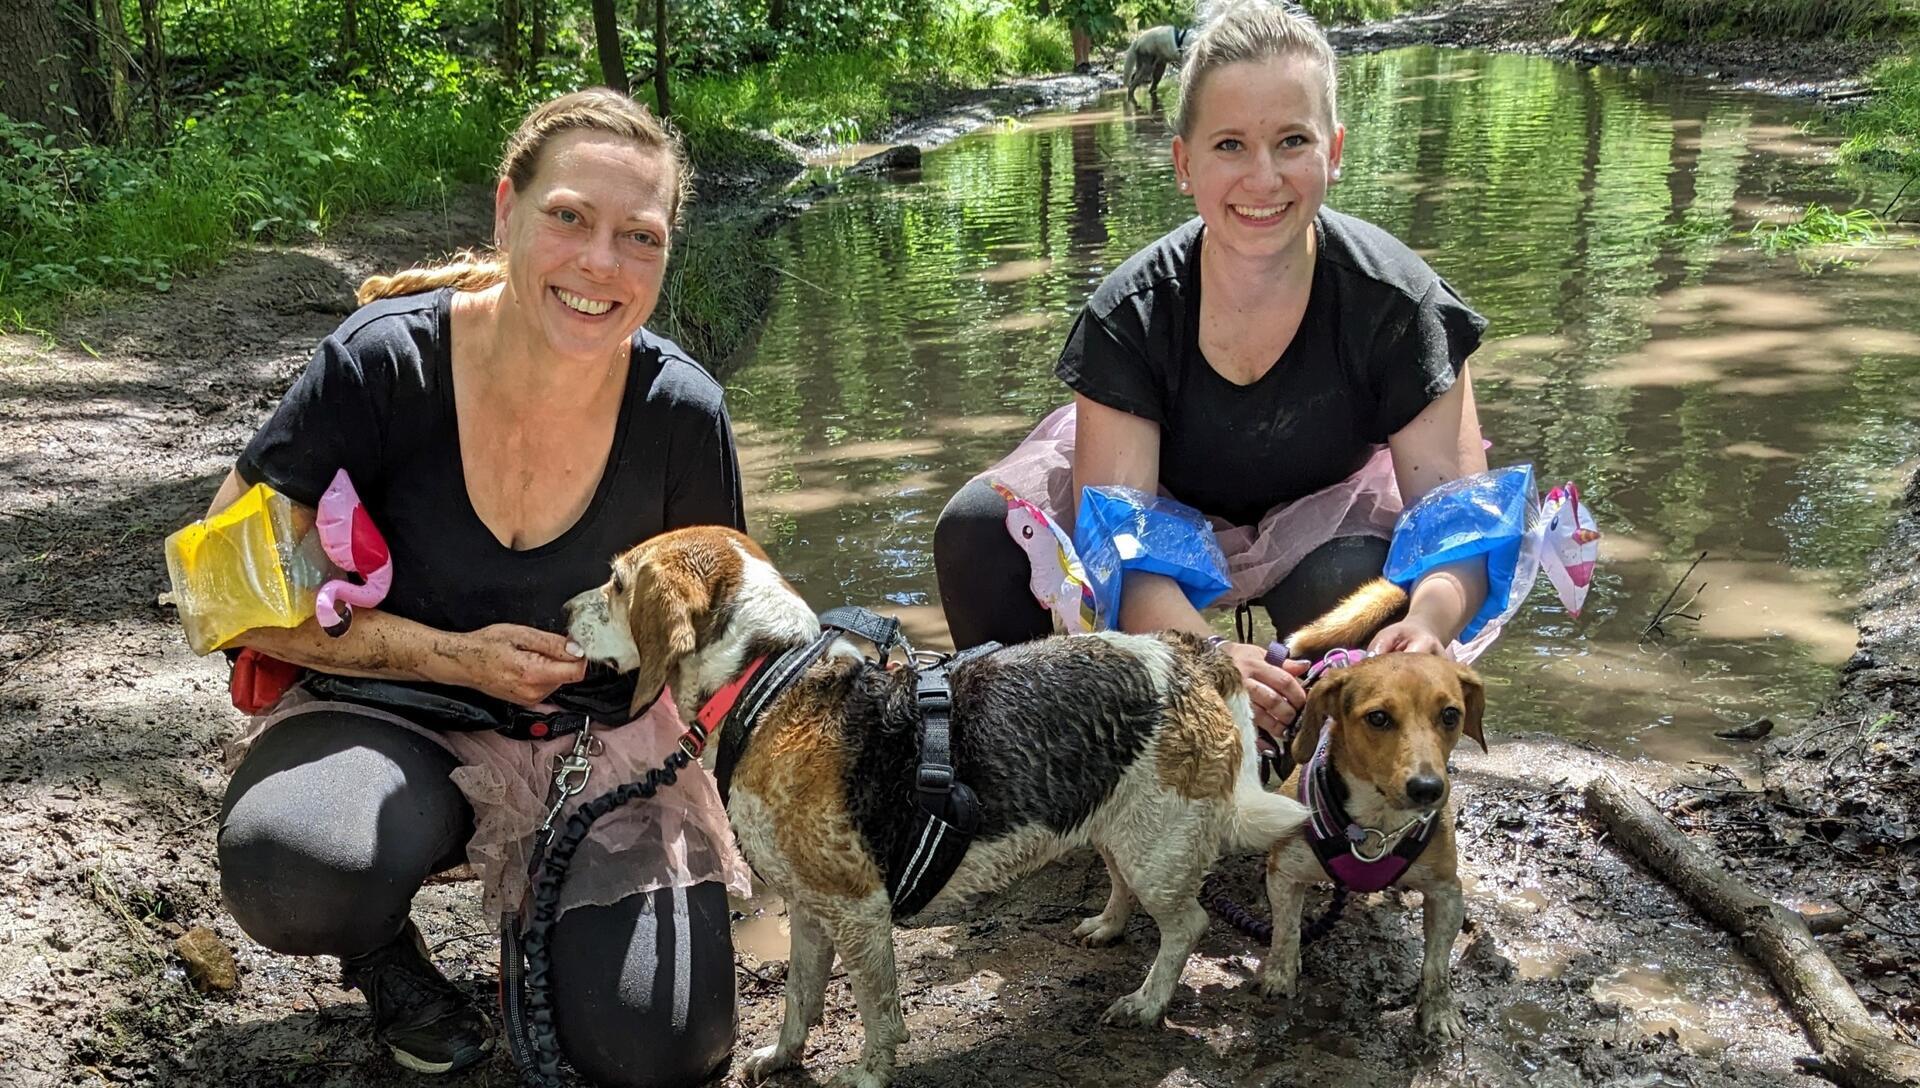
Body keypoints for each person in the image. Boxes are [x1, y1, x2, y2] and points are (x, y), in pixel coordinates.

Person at [206, 88, 750, 1086]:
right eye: (569, 217)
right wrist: (451, 655)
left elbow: (725, 646)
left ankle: (543, 920)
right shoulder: (381, 363)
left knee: (663, 1049)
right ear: (507, 210)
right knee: (290, 863)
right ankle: (385, 961)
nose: (601, 263)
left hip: (598, 747)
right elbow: (223, 588)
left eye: (641, 235)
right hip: (393, 718)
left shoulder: (681, 412)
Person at [934, 0, 1490, 743]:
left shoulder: (1403, 305)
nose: (1263, 179)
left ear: (1335, 151)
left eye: (1293, 141)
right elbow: (1122, 553)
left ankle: (1313, 769)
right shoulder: (1128, 314)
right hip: (1159, 513)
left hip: (1326, 520)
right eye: (1230, 145)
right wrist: (1207, 658)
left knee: (1370, 591)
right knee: (979, 535)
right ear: (1183, 163)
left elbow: (1459, 532)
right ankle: (1047, 767)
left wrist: (1428, 623)